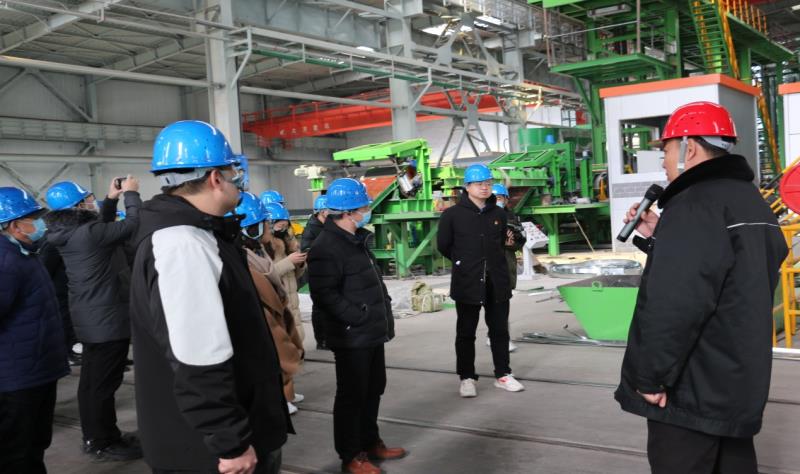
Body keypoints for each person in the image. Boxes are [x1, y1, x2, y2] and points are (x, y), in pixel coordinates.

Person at [614, 101, 788, 474]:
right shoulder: (751, 202)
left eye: (666, 151)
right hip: (737, 381)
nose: (663, 162)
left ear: (689, 148)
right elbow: (733, 276)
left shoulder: (693, 206)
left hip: (691, 391)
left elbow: (674, 304)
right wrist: (661, 235)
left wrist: (650, 377)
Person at [128, 120, 290, 474]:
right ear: (216, 178)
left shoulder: (202, 234)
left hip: (230, 432)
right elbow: (197, 357)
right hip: (212, 454)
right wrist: (230, 441)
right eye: (234, 174)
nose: (238, 183)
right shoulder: (183, 244)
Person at [308, 178, 406, 474]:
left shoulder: (356, 240)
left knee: (373, 389)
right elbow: (324, 295)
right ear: (350, 211)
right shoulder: (326, 246)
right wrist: (358, 316)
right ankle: (351, 455)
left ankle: (371, 442)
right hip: (351, 337)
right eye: (364, 206)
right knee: (352, 397)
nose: (367, 210)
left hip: (371, 332)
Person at [44, 178, 143, 462]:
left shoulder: (69, 233)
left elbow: (103, 226)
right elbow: (133, 224)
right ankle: (103, 441)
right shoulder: (89, 233)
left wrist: (111, 199)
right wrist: (131, 194)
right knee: (103, 384)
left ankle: (97, 436)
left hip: (90, 317)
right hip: (106, 320)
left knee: (92, 382)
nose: (92, 201)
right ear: (78, 206)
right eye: (87, 199)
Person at [437, 164, 524, 398]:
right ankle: (466, 377)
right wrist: (465, 263)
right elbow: (444, 245)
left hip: (497, 281)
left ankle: (503, 374)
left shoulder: (499, 214)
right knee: (466, 332)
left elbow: (502, 244)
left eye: (488, 183)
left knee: (499, 331)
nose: (485, 187)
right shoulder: (452, 215)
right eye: (479, 184)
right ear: (467, 187)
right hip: (467, 281)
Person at [0, 187, 70, 473]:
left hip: (36, 370)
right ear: (14, 225)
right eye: (34, 218)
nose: (41, 223)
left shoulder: (24, 253)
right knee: (17, 453)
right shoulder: (4, 261)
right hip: (16, 377)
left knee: (34, 445)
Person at [236, 192, 305, 416]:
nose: (270, 225)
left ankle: (286, 396)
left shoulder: (258, 253)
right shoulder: (246, 260)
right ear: (252, 228)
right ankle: (281, 399)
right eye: (265, 222)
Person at [486, 183, 526, 353]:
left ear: (506, 199)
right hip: (487, 268)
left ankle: (499, 337)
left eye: (500, 198)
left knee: (502, 305)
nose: (497, 201)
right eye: (494, 198)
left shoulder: (512, 218)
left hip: (506, 266)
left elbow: (520, 239)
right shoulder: (483, 216)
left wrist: (512, 243)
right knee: (492, 304)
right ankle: (496, 336)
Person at [263, 202, 307, 344]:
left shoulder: (288, 243)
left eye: (285, 226)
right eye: (280, 226)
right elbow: (266, 275)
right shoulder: (264, 247)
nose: (283, 230)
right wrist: (289, 262)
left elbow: (296, 276)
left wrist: (300, 264)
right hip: (279, 302)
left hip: (293, 303)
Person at [301, 194, 330, 350]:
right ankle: (322, 340)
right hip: (317, 273)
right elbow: (306, 250)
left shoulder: (329, 226)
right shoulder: (311, 229)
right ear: (322, 211)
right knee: (320, 307)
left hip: (331, 271)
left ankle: (331, 337)